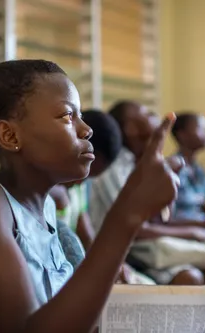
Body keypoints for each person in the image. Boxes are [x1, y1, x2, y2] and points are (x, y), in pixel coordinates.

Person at [0, 60, 196, 333]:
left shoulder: (46, 209)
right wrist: (128, 213)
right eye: (68, 116)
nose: (86, 130)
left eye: (81, 116)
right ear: (9, 135)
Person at [90, 101, 205, 308]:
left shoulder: (141, 162)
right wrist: (191, 231)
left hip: (148, 244)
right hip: (130, 251)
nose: (153, 115)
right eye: (146, 112)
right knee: (190, 280)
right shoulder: (114, 167)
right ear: (131, 128)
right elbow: (132, 226)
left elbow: (158, 218)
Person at [50, 109, 155, 285]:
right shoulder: (40, 192)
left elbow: (86, 236)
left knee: (147, 287)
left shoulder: (76, 190)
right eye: (82, 173)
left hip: (77, 273)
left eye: (90, 176)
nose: (82, 181)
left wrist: (115, 265)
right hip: (62, 279)